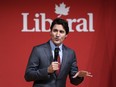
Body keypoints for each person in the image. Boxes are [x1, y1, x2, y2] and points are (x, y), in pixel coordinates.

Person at [24, 18, 93, 87]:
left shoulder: (70, 53)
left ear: (66, 35)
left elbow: (74, 81)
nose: (57, 35)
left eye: (61, 32)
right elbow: (28, 75)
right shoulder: (38, 50)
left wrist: (79, 76)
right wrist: (47, 70)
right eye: (55, 31)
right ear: (50, 32)